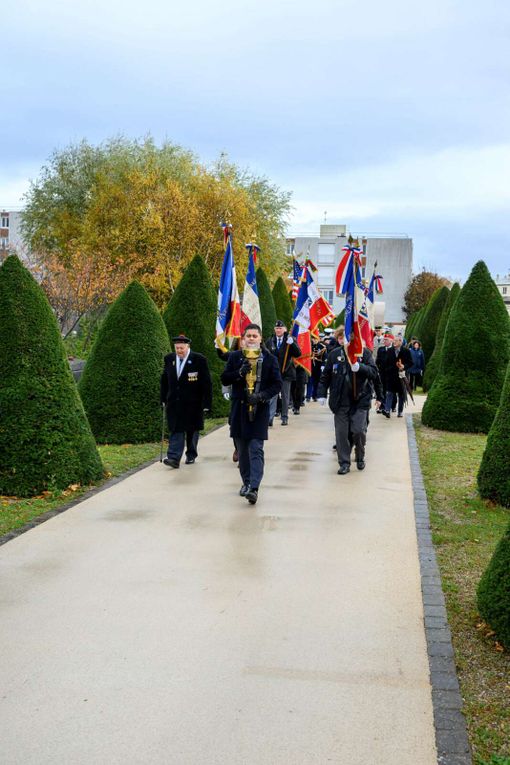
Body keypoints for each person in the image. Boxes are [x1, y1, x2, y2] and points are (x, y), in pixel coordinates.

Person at [221, 323, 282, 504]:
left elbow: (277, 384)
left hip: (259, 410)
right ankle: (246, 482)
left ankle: (254, 487)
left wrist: (261, 396)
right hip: (239, 410)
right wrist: (239, 373)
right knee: (243, 451)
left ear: (260, 338)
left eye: (255, 336)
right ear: (243, 338)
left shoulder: (270, 359)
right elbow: (224, 378)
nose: (251, 339)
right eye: (248, 336)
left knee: (256, 449)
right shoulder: (234, 357)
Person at [318, 326, 382, 474]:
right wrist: (321, 393)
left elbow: (374, 373)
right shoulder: (334, 354)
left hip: (360, 400)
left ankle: (360, 456)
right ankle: (344, 463)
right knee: (341, 434)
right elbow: (326, 376)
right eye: (342, 338)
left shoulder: (364, 354)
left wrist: (360, 367)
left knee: (358, 431)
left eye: (348, 338)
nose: (345, 341)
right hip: (340, 402)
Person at [160, 334, 213, 468]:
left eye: (181, 348)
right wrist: (163, 398)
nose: (179, 351)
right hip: (174, 402)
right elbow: (164, 380)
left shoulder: (199, 360)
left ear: (187, 346)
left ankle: (191, 454)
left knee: (192, 430)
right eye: (177, 348)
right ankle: (174, 458)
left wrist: (207, 403)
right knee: (176, 429)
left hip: (193, 403)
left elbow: (206, 382)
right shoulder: (169, 359)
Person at [266, 320, 301, 425]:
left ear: (284, 329)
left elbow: (298, 353)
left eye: (280, 328)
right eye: (277, 328)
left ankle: (284, 417)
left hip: (286, 372)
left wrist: (292, 344)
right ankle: (270, 418)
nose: (278, 330)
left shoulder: (290, 340)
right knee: (273, 396)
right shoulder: (270, 340)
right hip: (274, 374)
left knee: (285, 396)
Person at [307, 336, 327, 400]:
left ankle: (314, 395)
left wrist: (323, 365)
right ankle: (308, 396)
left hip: (318, 366)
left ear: (318, 339)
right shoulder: (309, 346)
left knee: (316, 382)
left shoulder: (322, 347)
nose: (314, 340)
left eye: (316, 339)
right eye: (313, 338)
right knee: (309, 381)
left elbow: (324, 357)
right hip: (310, 366)